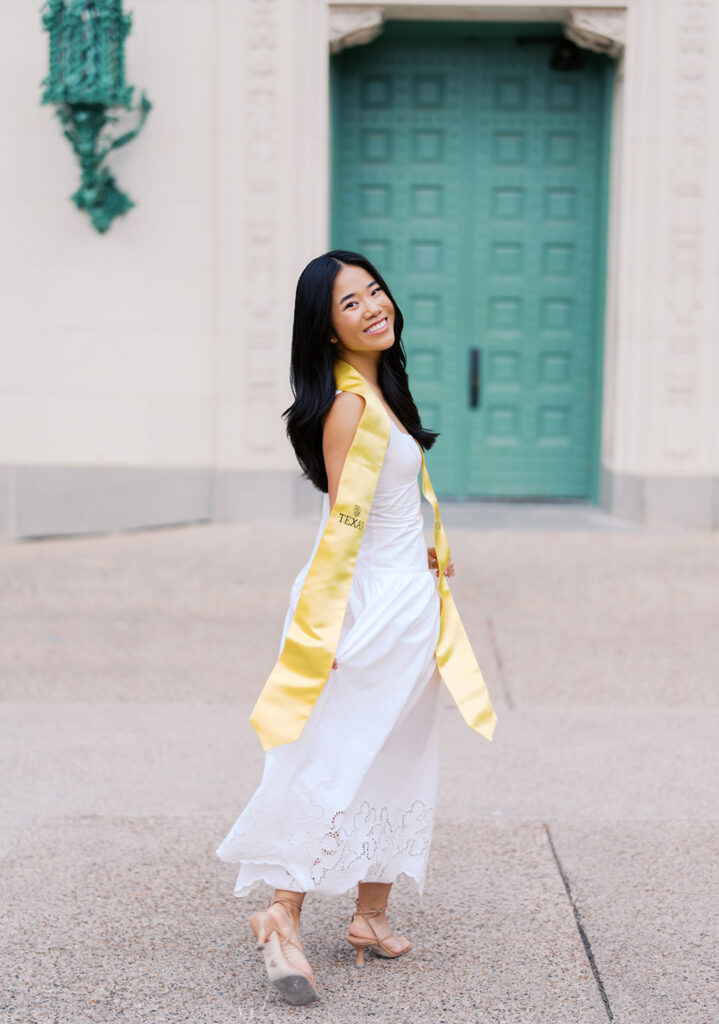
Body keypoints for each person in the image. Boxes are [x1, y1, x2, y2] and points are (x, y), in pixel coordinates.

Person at [216, 250, 495, 1006]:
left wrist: (430, 558)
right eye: (350, 302)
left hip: (412, 610)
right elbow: (342, 532)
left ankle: (369, 917)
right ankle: (282, 914)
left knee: (398, 756)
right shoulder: (348, 405)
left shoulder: (380, 391)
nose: (373, 305)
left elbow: (393, 512)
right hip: (366, 612)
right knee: (333, 757)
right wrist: (323, 635)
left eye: (375, 291)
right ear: (326, 328)